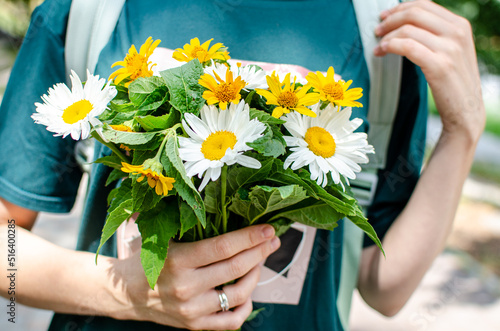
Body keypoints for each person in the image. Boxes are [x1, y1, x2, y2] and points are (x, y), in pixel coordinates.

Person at [0, 0, 485, 330]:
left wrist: (463, 131)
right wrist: (122, 291)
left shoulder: (383, 27)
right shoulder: (90, 10)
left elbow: (385, 289)